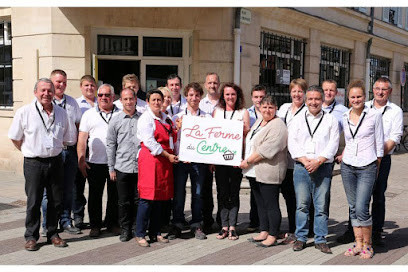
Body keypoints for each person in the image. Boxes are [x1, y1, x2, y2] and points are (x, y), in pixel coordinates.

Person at [8, 78, 74, 251]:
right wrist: (28, 150)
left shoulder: (61, 113)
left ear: (54, 93)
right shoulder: (25, 112)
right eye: (42, 90)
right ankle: (31, 236)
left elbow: (68, 138)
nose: (46, 94)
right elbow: (15, 137)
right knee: (34, 201)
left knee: (55, 200)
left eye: (49, 91)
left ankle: (52, 233)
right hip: (34, 162)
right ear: (35, 92)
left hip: (56, 161)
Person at [288, 85, 339, 254]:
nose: (314, 102)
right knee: (302, 205)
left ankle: (320, 239)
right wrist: (304, 160)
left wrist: (318, 161)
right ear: (305, 99)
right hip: (302, 167)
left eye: (317, 99)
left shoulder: (330, 119)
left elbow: (333, 144)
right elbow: (292, 143)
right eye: (310, 99)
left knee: (321, 205)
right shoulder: (297, 119)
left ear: (322, 99)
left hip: (322, 167)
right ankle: (301, 237)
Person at [340, 80, 384, 259]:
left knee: (361, 207)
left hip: (367, 165)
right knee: (352, 207)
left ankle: (368, 244)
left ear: (365, 97)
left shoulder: (374, 115)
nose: (356, 99)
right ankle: (358, 243)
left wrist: (377, 165)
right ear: (348, 99)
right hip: (348, 165)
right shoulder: (345, 116)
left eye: (359, 96)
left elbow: (379, 143)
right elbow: (349, 141)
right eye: (353, 97)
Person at [240, 95, 288, 247]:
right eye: (264, 107)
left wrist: (247, 161)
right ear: (259, 108)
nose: (267, 110)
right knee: (260, 203)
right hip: (254, 171)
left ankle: (273, 234)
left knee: (271, 204)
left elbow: (266, 150)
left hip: (269, 171)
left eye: (271, 107)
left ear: (276, 109)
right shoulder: (260, 122)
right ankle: (264, 230)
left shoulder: (278, 125)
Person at [41, 70, 82, 237]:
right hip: (52, 153)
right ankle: (47, 224)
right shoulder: (42, 104)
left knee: (68, 189)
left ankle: (66, 220)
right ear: (51, 83)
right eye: (58, 82)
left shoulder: (72, 102)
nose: (61, 85)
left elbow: (79, 126)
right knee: (48, 191)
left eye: (64, 82)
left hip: (70, 151)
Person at [135, 89, 178, 247]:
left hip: (165, 161)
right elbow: (149, 141)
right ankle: (140, 233)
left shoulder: (167, 119)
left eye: (159, 100)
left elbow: (173, 139)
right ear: (147, 102)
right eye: (153, 100)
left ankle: (156, 231)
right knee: (146, 199)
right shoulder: (146, 119)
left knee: (160, 199)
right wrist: (167, 155)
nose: (157, 103)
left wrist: (175, 154)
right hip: (151, 160)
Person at [77, 83, 121, 238]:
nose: (103, 98)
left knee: (114, 196)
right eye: (101, 95)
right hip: (95, 162)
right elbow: (82, 139)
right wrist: (81, 159)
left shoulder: (121, 114)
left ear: (113, 97)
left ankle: (112, 224)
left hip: (116, 163)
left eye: (107, 95)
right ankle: (95, 226)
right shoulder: (89, 114)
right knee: (95, 196)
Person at [171, 82, 211, 240]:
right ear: (186, 96)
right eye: (191, 95)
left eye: (197, 95)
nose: (194, 98)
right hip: (181, 161)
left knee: (198, 193)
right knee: (179, 193)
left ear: (200, 97)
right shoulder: (177, 117)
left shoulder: (206, 117)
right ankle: (177, 224)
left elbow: (209, 140)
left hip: (199, 162)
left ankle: (196, 224)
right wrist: (177, 130)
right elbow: (173, 140)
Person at [213, 83, 250, 240]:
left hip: (236, 159)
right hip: (220, 160)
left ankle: (233, 226)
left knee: (234, 192)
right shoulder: (218, 112)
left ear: (238, 96)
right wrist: (211, 161)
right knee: (222, 192)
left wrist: (240, 129)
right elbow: (213, 134)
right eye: (227, 94)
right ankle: (223, 226)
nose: (230, 97)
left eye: (233, 94)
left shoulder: (243, 112)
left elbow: (247, 135)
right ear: (223, 96)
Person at [106, 88, 141, 242]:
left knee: (138, 200)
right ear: (121, 101)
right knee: (123, 201)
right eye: (125, 99)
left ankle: (136, 227)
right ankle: (125, 229)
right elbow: (111, 144)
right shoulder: (115, 120)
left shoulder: (143, 118)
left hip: (140, 168)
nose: (128, 102)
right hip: (122, 167)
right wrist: (111, 168)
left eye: (131, 99)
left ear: (135, 99)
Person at [276, 78, 307, 244]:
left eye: (300, 91)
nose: (297, 94)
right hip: (285, 161)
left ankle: (303, 230)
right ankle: (292, 228)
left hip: (300, 161)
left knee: (301, 198)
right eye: (294, 91)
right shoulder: (283, 109)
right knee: (289, 196)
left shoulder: (308, 111)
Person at [73, 75, 98, 229]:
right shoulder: (75, 104)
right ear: (81, 87)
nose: (89, 88)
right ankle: (78, 217)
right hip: (81, 149)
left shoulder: (102, 101)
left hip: (97, 151)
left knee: (95, 188)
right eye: (86, 85)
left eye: (92, 85)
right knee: (78, 187)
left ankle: (96, 219)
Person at [199, 72, 221, 233]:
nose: (212, 85)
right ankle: (207, 220)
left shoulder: (225, 103)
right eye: (209, 83)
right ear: (205, 85)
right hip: (205, 153)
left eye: (215, 82)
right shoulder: (200, 104)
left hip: (221, 153)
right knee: (205, 190)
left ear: (218, 84)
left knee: (222, 190)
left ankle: (222, 220)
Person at [246, 84, 267, 232]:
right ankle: (254, 221)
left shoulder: (270, 112)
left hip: (265, 158)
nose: (259, 100)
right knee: (254, 193)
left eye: (261, 97)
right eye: (256, 97)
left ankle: (265, 224)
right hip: (251, 158)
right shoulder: (247, 113)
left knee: (264, 193)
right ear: (252, 98)